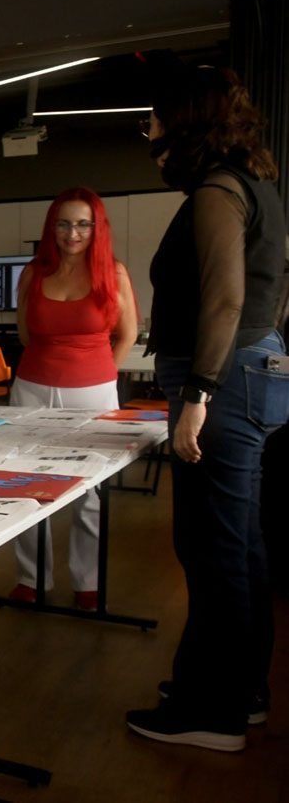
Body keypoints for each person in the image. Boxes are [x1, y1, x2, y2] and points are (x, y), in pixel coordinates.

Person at [126, 64, 288, 752]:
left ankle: (211, 710)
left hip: (222, 384)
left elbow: (224, 299)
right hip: (258, 371)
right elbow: (271, 297)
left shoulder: (218, 191)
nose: (151, 130)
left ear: (187, 120)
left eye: (157, 117)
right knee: (240, 544)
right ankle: (242, 691)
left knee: (211, 546)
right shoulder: (257, 185)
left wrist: (198, 395)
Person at [7, 188, 138, 610]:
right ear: (52, 228)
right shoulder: (32, 273)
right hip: (31, 388)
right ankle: (32, 578)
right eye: (64, 223)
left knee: (88, 490)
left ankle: (88, 582)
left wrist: (100, 372)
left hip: (93, 392)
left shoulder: (113, 273)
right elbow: (27, 334)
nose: (73, 232)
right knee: (26, 485)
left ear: (97, 227)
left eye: (83, 223)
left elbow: (129, 334)